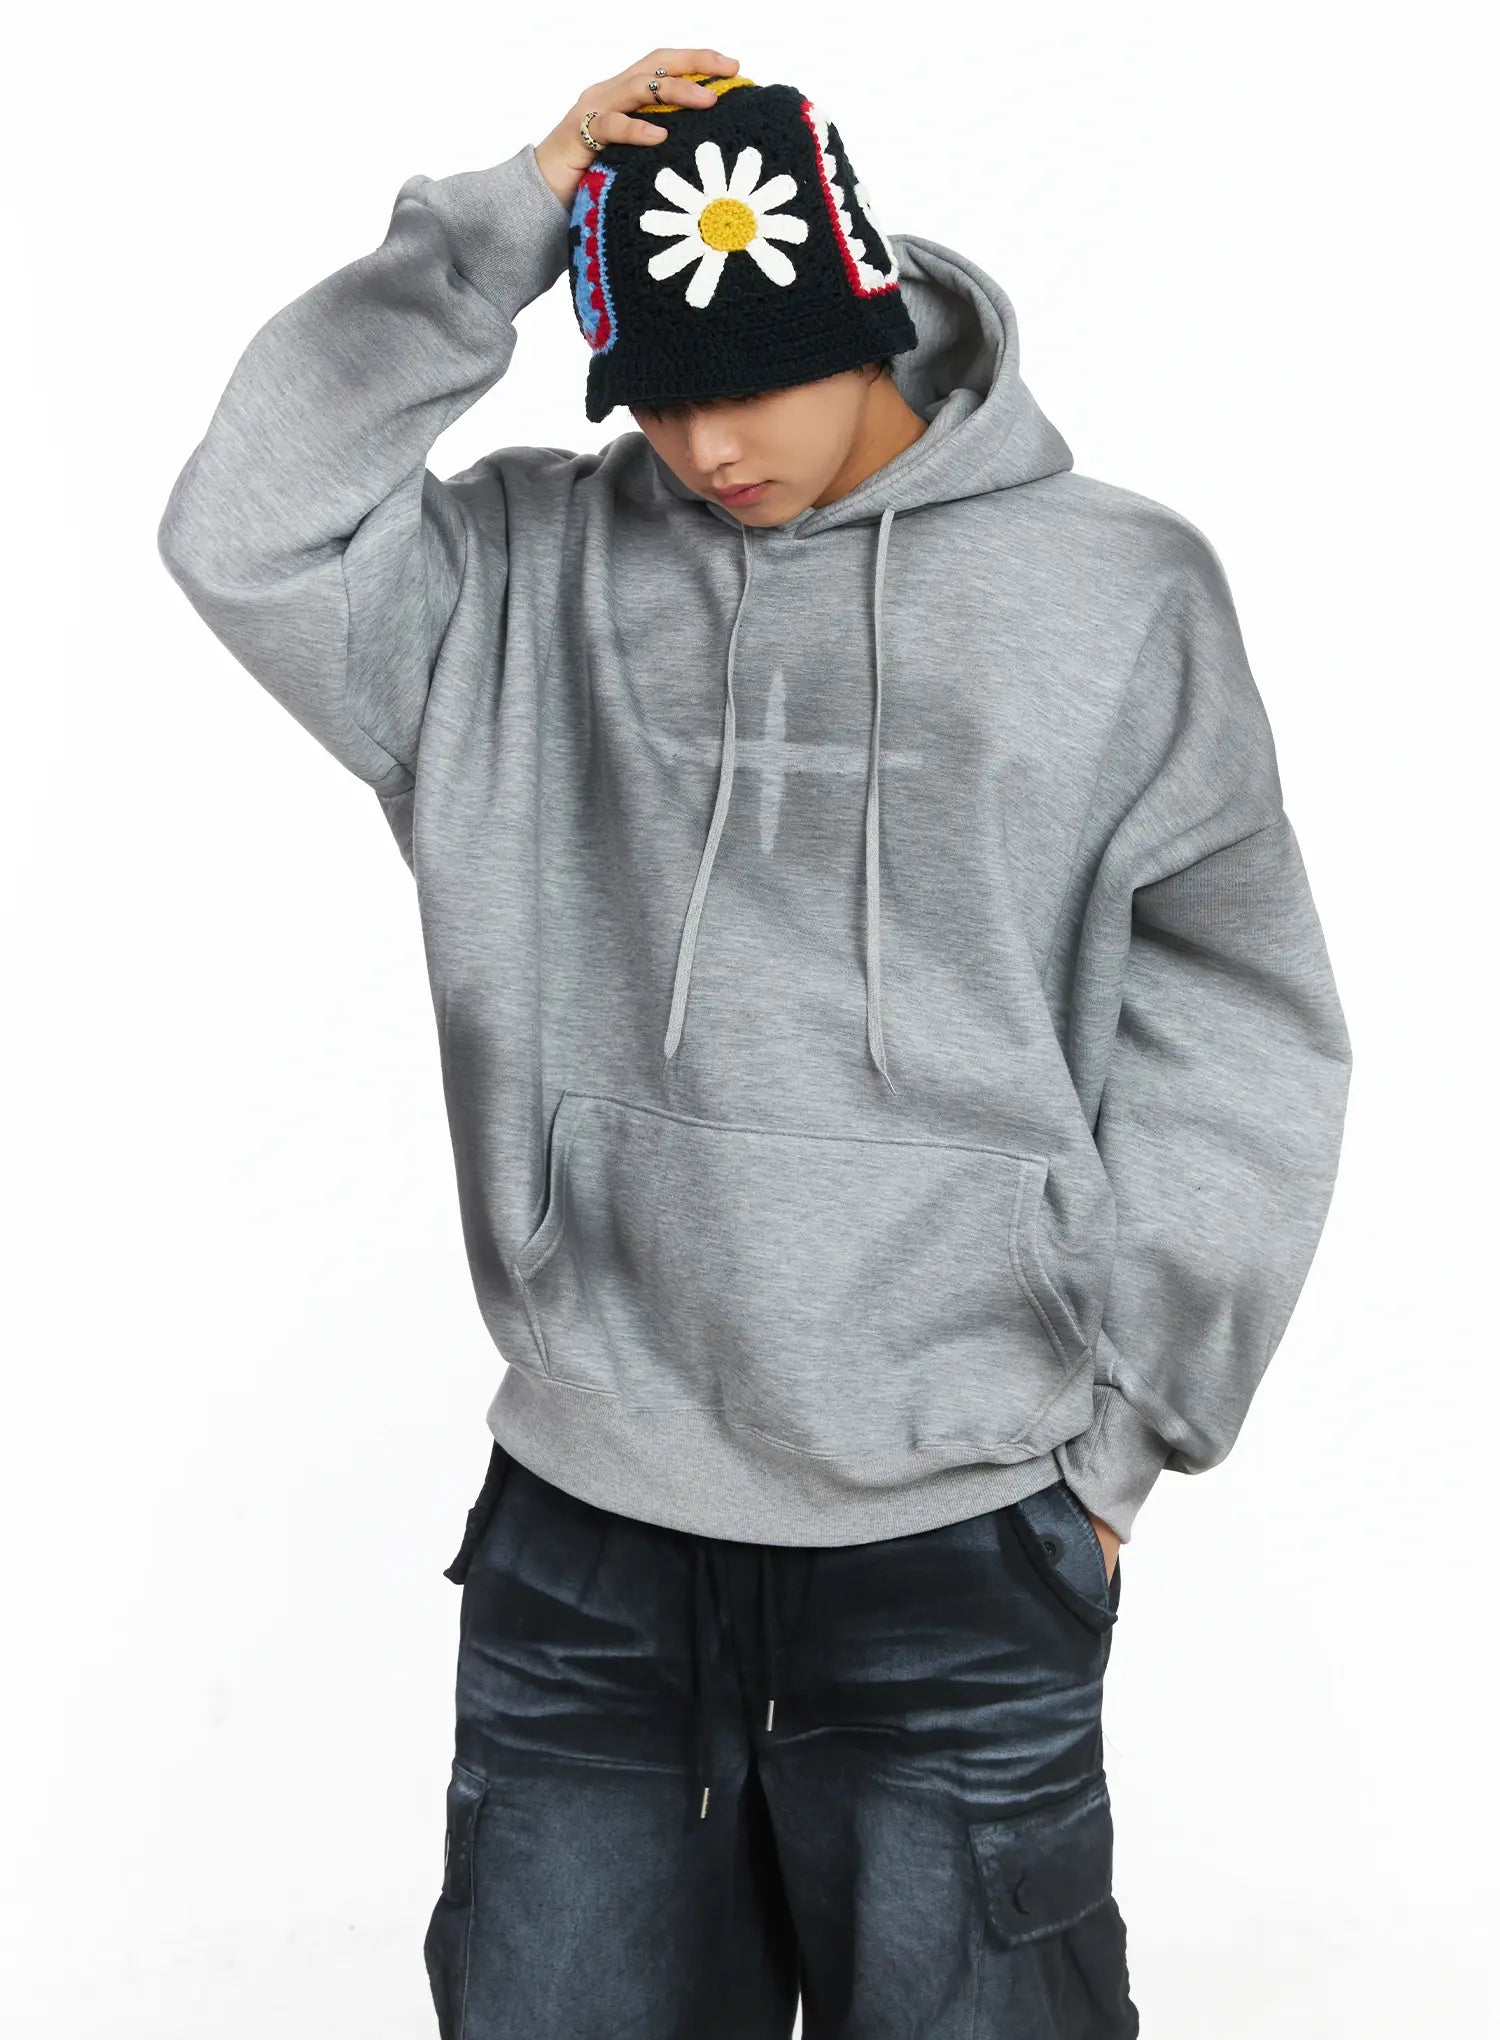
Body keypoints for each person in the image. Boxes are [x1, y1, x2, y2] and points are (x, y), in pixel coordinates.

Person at [156, 47, 1352, 2039]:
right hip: (590, 1547)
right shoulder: (514, 588)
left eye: (756, 380)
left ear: (866, 315)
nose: (709, 444)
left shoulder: (1118, 594)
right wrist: (506, 221)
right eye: (659, 395)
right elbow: (246, 527)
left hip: (963, 1539)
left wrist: (1124, 1440)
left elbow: (1238, 1016)